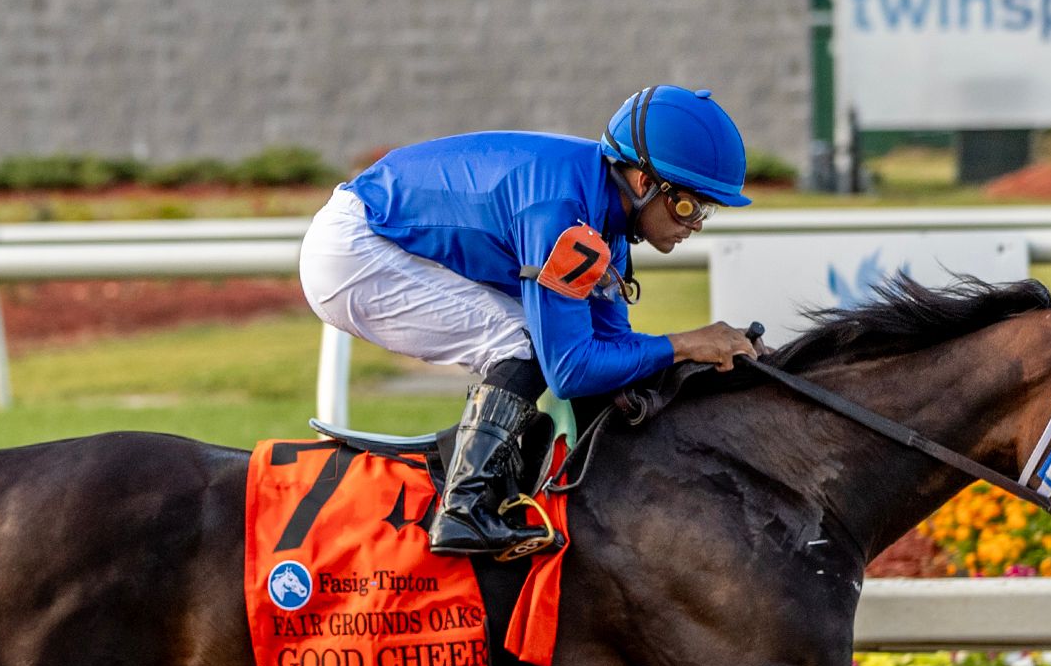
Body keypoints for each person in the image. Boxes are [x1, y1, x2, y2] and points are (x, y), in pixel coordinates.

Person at [299, 86, 760, 558]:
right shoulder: (562, 214)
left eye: (707, 210)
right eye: (690, 206)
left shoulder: (606, 221)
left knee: (550, 343)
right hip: (354, 252)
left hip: (380, 236)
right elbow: (570, 370)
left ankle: (498, 481)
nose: (697, 224)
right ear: (644, 183)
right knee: (523, 342)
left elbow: (609, 355)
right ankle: (463, 509)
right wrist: (685, 344)